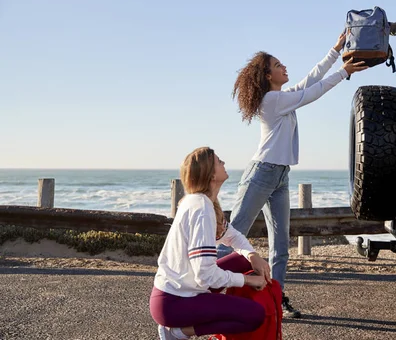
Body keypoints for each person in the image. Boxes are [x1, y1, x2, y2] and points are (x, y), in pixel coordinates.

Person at [219, 31, 368, 318]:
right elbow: (313, 92)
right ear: (267, 75)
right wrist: (344, 73)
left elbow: (310, 80)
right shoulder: (272, 100)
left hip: (279, 177)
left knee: (281, 246)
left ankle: (276, 299)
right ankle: (204, 287)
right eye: (278, 65)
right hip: (261, 174)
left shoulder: (282, 97)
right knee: (234, 234)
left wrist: (335, 51)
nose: (284, 68)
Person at [149, 147, 273, 340]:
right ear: (210, 174)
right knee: (255, 315)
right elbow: (205, 275)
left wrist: (253, 256)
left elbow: (232, 236)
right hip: (174, 304)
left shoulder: (203, 202)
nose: (223, 163)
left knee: (244, 261)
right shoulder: (201, 208)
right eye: (218, 161)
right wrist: (248, 280)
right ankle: (177, 332)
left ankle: (220, 307)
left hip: (180, 293)